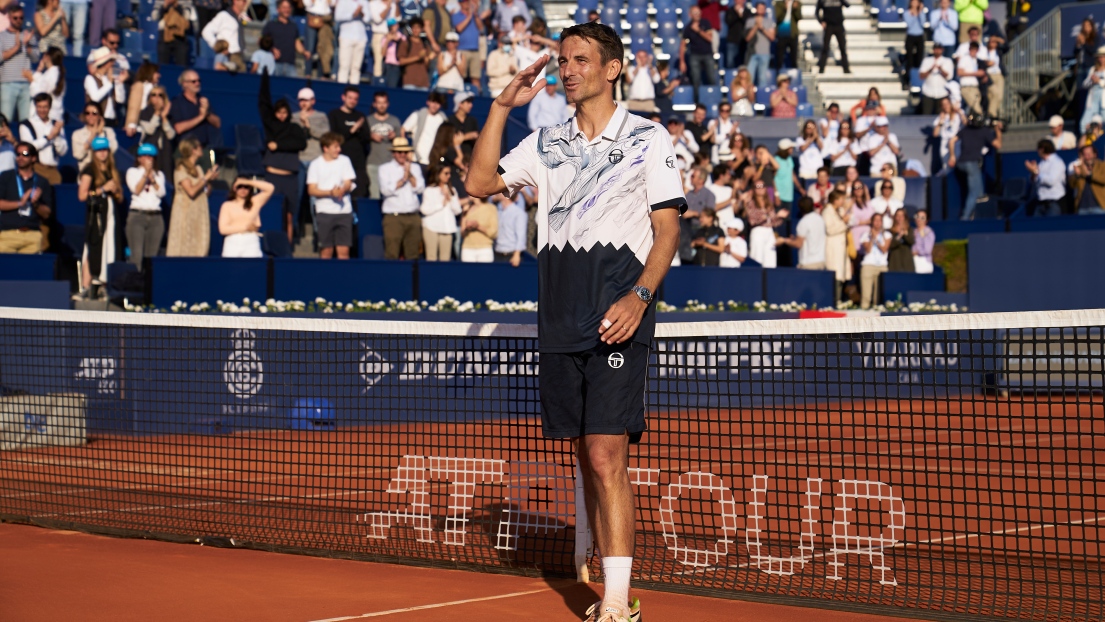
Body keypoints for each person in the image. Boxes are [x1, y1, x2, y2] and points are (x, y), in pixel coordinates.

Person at [464, 21, 685, 622]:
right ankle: (602, 569)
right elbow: (480, 182)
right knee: (587, 456)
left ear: (613, 69)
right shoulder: (547, 140)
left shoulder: (648, 138)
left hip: (620, 314)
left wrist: (640, 295)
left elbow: (668, 228)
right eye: (564, 61)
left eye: (581, 60)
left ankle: (617, 603)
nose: (568, 70)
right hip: (559, 317)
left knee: (607, 453)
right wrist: (500, 106)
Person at [259, 71, 308, 242]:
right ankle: (271, 244)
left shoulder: (294, 128)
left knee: (289, 216)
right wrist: (265, 78)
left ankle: (287, 247)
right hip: (272, 176)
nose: (281, 115)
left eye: (284, 112)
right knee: (271, 212)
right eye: (278, 112)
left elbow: (301, 144)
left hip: (290, 178)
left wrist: (278, 146)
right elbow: (263, 103)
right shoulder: (270, 125)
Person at [76, 137, 122, 297]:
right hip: (95, 215)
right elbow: (82, 196)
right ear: (93, 153)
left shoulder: (112, 170)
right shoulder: (89, 170)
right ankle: (85, 287)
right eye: (99, 150)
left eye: (105, 150)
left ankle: (104, 285)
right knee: (92, 247)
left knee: (109, 248)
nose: (102, 153)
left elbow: (120, 197)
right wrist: (102, 189)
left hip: (110, 214)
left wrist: (115, 191)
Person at [307, 132, 357, 259]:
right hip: (324, 212)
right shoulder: (315, 164)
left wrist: (342, 189)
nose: (339, 150)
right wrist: (330, 192)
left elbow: (348, 182)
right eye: (336, 147)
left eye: (339, 146)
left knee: (344, 251)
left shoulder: (345, 160)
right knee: (326, 251)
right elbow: (311, 190)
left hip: (344, 212)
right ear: (326, 148)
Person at [166, 138, 218, 257]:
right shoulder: (180, 169)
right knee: (184, 246)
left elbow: (205, 192)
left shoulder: (199, 169)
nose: (202, 150)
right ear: (193, 150)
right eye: (199, 147)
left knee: (199, 247)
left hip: (199, 213)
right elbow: (191, 191)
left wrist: (209, 180)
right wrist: (206, 178)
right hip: (185, 213)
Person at [0, 141, 53, 254]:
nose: (20, 157)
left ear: (33, 158)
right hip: (7, 234)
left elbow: (47, 213)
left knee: (30, 270)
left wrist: (35, 204)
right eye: (18, 154)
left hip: (32, 235)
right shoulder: (6, 177)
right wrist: (20, 203)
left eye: (24, 154)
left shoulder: (42, 182)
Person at [947, 113, 1001, 220]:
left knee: (979, 193)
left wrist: (952, 156)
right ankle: (965, 218)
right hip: (971, 163)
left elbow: (951, 141)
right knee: (974, 193)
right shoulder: (984, 131)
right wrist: (998, 130)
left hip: (961, 163)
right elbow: (998, 145)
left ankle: (974, 215)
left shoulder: (966, 130)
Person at [378, 136, 425, 259]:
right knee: (392, 253)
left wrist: (409, 174)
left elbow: (420, 188)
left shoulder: (415, 168)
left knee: (413, 253)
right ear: (393, 153)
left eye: (405, 152)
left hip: (413, 215)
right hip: (394, 217)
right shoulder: (385, 169)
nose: (402, 155)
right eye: (399, 152)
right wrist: (403, 179)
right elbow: (385, 190)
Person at [124, 143, 167, 268]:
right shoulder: (132, 172)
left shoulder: (159, 175)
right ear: (139, 158)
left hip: (156, 217)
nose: (148, 159)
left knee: (152, 257)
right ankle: (135, 283)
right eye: (145, 156)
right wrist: (145, 174)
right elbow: (136, 190)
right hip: (138, 215)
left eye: (151, 156)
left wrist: (152, 179)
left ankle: (149, 284)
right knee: (136, 256)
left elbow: (161, 193)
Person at [328, 86, 371, 198]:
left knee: (359, 193)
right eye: (350, 98)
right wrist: (353, 130)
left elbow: (366, 138)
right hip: (340, 161)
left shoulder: (360, 116)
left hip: (358, 164)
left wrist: (359, 130)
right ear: (343, 97)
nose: (352, 101)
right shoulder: (334, 115)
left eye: (355, 99)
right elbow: (335, 138)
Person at [219, 178, 275, 257]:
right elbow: (223, 229)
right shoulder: (227, 205)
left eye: (246, 187)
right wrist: (246, 228)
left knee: (253, 267)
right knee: (231, 268)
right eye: (240, 186)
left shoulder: (255, 202)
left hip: (251, 241)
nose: (243, 189)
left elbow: (270, 188)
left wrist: (248, 181)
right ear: (234, 188)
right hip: (232, 241)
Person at [19, 93, 66, 185]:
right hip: (36, 168)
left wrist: (57, 136)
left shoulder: (56, 125)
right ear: (35, 107)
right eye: (39, 107)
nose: (42, 110)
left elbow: (63, 151)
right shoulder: (26, 125)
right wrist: (49, 137)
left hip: (53, 170)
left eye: (45, 107)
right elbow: (28, 148)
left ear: (50, 107)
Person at [0, 7, 36, 125]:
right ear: (9, 18)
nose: (18, 20)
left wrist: (27, 46)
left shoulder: (28, 35)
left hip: (26, 84)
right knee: (5, 121)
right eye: (15, 18)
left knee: (26, 123)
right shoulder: (2, 36)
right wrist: (16, 48)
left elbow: (36, 58)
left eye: (21, 18)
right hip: (8, 83)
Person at [170, 70, 223, 149]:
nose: (197, 83)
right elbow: (178, 128)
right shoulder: (176, 103)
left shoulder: (203, 101)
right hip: (185, 149)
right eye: (193, 81)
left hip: (203, 148)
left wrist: (207, 113)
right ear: (184, 84)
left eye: (199, 81)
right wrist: (200, 117)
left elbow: (218, 123)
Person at [419, 164, 461, 260]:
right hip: (431, 228)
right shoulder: (429, 190)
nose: (448, 176)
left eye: (450, 173)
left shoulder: (452, 190)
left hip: (447, 229)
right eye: (446, 173)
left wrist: (449, 198)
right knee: (431, 257)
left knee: (445, 259)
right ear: (438, 174)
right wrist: (441, 204)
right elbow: (424, 210)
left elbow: (457, 210)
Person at [365, 91, 401, 200]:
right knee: (374, 195)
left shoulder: (395, 120)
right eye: (379, 103)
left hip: (390, 163)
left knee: (391, 195)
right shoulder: (368, 120)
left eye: (384, 102)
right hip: (373, 163)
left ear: (388, 104)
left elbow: (402, 143)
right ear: (374, 104)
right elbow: (361, 139)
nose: (381, 105)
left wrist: (395, 137)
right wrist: (370, 136)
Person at [136, 86, 176, 179]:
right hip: (150, 151)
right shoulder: (144, 113)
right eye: (154, 95)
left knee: (167, 176)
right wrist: (157, 113)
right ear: (150, 97)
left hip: (166, 152)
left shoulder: (169, 114)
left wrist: (164, 117)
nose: (157, 97)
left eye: (160, 95)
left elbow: (171, 135)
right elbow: (149, 130)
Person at [263, 0, 310, 78]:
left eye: (288, 7)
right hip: (274, 64)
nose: (287, 10)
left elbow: (296, 42)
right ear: (278, 9)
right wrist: (272, 49)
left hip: (290, 65)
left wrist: (304, 52)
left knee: (292, 88)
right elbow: (261, 41)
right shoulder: (271, 25)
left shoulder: (293, 26)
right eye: (284, 7)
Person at [745, 179, 785, 267]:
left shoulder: (769, 203)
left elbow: (774, 222)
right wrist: (771, 216)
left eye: (762, 186)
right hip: (757, 231)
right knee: (757, 258)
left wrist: (780, 217)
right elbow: (753, 220)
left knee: (771, 260)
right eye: (757, 187)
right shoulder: (751, 202)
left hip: (769, 232)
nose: (760, 189)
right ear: (754, 189)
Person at [402, 91, 447, 168]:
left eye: (438, 103)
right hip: (417, 158)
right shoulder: (418, 115)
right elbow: (403, 129)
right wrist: (406, 151)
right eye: (433, 102)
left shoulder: (442, 119)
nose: (435, 105)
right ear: (428, 102)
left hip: (434, 160)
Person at [84, 47, 128, 127]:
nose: (113, 63)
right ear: (105, 63)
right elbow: (95, 98)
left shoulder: (109, 79)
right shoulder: (90, 79)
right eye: (111, 61)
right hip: (96, 121)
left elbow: (120, 100)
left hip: (112, 121)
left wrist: (119, 83)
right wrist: (110, 83)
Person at [822, 189, 851, 300]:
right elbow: (829, 229)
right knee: (835, 276)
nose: (843, 201)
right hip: (833, 249)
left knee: (840, 276)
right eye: (841, 199)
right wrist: (843, 222)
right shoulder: (827, 212)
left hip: (840, 249)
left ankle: (838, 300)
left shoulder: (839, 211)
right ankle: (834, 301)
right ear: (835, 200)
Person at [201, 0, 247, 71]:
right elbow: (206, 31)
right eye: (243, 1)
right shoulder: (223, 15)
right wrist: (219, 47)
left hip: (239, 56)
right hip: (229, 56)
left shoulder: (241, 18)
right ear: (235, 1)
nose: (245, 3)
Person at [1025, 139, 1066, 218]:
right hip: (1041, 203)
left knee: (1052, 228)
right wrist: (1033, 173)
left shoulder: (1057, 162)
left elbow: (1051, 181)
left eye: (1038, 149)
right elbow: (1035, 181)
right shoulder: (1042, 163)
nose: (1037, 151)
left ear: (1042, 149)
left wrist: (1036, 172)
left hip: (1054, 203)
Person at [782, 196, 826, 270]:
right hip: (821, 261)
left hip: (808, 264)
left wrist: (784, 240)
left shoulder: (803, 222)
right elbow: (811, 238)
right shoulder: (820, 219)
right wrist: (795, 239)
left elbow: (798, 244)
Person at [681, 5, 716, 93]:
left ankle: (714, 97)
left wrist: (698, 30)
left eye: (698, 12)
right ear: (690, 15)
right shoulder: (687, 28)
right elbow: (682, 45)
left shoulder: (706, 23)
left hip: (707, 54)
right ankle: (697, 101)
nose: (697, 15)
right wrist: (682, 61)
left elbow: (710, 38)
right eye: (695, 13)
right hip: (694, 55)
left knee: (712, 78)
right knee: (696, 79)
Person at [71, 102, 117, 168]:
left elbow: (113, 149)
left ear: (100, 115)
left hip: (104, 170)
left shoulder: (108, 131)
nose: (90, 116)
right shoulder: (77, 134)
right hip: (86, 171)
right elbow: (78, 155)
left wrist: (100, 133)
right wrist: (93, 135)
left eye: (94, 113)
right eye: (87, 113)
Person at [858, 213, 890, 309]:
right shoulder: (865, 235)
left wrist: (876, 238)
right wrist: (872, 237)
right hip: (868, 265)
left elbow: (884, 249)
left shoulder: (887, 235)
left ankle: (877, 311)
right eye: (875, 220)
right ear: (872, 222)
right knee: (866, 295)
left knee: (878, 295)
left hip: (882, 266)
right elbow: (868, 249)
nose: (877, 223)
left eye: (879, 220)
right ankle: (864, 311)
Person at [334, 0, 369, 84]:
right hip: (346, 37)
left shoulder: (364, 1)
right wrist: (353, 14)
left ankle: (354, 88)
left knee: (356, 67)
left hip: (361, 37)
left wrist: (362, 13)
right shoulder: (343, 1)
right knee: (344, 65)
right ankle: (342, 87)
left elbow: (368, 19)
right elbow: (337, 16)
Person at [451, 0, 482, 93]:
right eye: (464, 2)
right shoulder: (456, 16)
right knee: (461, 75)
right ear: (460, 3)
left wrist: (475, 15)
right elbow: (459, 28)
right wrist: (469, 16)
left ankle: (477, 96)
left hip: (475, 50)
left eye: (468, 2)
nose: (467, 4)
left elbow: (481, 28)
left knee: (475, 77)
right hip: (462, 49)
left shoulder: (475, 16)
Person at [29, 46, 65, 125]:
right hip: (53, 114)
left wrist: (30, 79)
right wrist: (39, 69)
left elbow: (39, 94)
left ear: (47, 57)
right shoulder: (52, 73)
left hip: (49, 116)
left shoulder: (52, 74)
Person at [124, 61, 160, 138]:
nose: (159, 75)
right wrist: (131, 124)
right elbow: (133, 106)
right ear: (149, 72)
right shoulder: (139, 86)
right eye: (156, 72)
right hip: (140, 128)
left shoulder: (156, 88)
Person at [398, 17, 435, 90]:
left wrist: (428, 59)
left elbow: (426, 66)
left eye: (418, 28)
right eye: (413, 28)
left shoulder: (425, 45)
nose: (415, 30)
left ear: (421, 29)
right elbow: (401, 61)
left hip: (423, 82)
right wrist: (418, 57)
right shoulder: (406, 43)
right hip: (409, 81)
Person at [745, 2, 775, 89]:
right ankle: (750, 98)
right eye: (759, 8)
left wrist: (762, 28)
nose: (761, 10)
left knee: (762, 78)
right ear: (756, 9)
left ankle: (762, 98)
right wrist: (755, 26)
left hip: (765, 53)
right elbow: (747, 38)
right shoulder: (750, 21)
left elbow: (772, 37)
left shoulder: (769, 22)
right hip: (752, 53)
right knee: (750, 78)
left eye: (763, 8)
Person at [493, 190, 528, 265]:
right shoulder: (499, 212)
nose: (497, 193)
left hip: (510, 255)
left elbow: (521, 236)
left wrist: (517, 254)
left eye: (500, 192)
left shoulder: (518, 213)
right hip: (497, 253)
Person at [304, 0, 336, 79]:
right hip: (312, 16)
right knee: (309, 48)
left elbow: (333, 3)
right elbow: (306, 3)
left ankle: (321, 74)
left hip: (325, 19)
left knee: (323, 48)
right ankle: (308, 73)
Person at [459, 194, 497, 261]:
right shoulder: (466, 208)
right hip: (468, 249)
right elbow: (462, 233)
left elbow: (493, 233)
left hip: (484, 249)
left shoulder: (491, 208)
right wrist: (467, 228)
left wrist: (478, 226)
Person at [815, 0, 849, 74]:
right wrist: (821, 22)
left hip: (839, 25)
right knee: (825, 48)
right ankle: (821, 69)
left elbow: (847, 5)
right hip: (828, 26)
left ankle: (846, 69)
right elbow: (816, 12)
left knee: (842, 47)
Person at [1070, 143, 1105, 215]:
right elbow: (1072, 184)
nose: (1087, 157)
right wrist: (1076, 175)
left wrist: (1089, 175)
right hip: (1082, 208)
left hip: (1100, 206)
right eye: (1085, 154)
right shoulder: (1079, 168)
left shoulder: (1102, 166)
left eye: (1089, 154)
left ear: (1095, 154)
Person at [933, 97, 964, 174]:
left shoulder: (958, 114)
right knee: (947, 167)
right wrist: (940, 121)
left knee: (959, 165)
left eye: (947, 103)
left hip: (957, 142)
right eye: (943, 104)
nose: (946, 106)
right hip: (945, 143)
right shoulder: (941, 117)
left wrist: (959, 111)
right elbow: (935, 134)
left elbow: (966, 123)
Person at [156, 0, 190, 66]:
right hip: (164, 34)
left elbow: (187, 15)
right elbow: (155, 16)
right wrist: (165, 6)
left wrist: (177, 6)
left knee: (181, 65)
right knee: (163, 65)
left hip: (180, 34)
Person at [448, 91, 479, 161]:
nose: (471, 105)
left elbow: (477, 136)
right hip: (453, 160)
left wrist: (463, 138)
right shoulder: (450, 121)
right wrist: (468, 136)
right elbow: (449, 141)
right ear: (460, 104)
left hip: (469, 160)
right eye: (468, 103)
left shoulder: (472, 121)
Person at [956, 42, 986, 115]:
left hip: (975, 87)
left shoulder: (977, 60)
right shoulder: (964, 59)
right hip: (966, 86)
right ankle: (982, 118)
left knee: (975, 105)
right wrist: (975, 73)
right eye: (972, 49)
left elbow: (982, 72)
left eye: (975, 50)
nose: (973, 51)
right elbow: (959, 72)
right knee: (975, 106)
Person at [773, 0, 800, 72]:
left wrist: (795, 9)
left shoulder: (797, 3)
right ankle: (779, 76)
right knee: (779, 58)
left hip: (792, 34)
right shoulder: (779, 4)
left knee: (793, 57)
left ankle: (794, 76)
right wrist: (784, 9)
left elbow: (799, 17)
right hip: (781, 34)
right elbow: (776, 17)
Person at [723, 0, 749, 69]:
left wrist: (741, 15)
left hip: (744, 41)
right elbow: (728, 22)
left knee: (743, 64)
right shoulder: (730, 11)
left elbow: (749, 24)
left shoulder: (748, 11)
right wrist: (736, 13)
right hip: (732, 40)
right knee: (730, 63)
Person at [902, 0, 925, 71]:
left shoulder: (921, 13)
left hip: (919, 36)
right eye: (913, 2)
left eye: (916, 2)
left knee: (919, 57)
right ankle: (908, 75)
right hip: (910, 36)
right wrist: (914, 15)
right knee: (909, 58)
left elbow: (922, 23)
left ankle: (918, 74)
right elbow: (909, 24)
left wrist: (919, 12)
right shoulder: (906, 13)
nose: (915, 4)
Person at [911, 209, 934, 273]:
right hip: (913, 261)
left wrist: (917, 252)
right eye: (917, 217)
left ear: (926, 220)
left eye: (922, 218)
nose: (919, 219)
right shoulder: (913, 231)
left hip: (924, 262)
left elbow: (928, 250)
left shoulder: (928, 232)